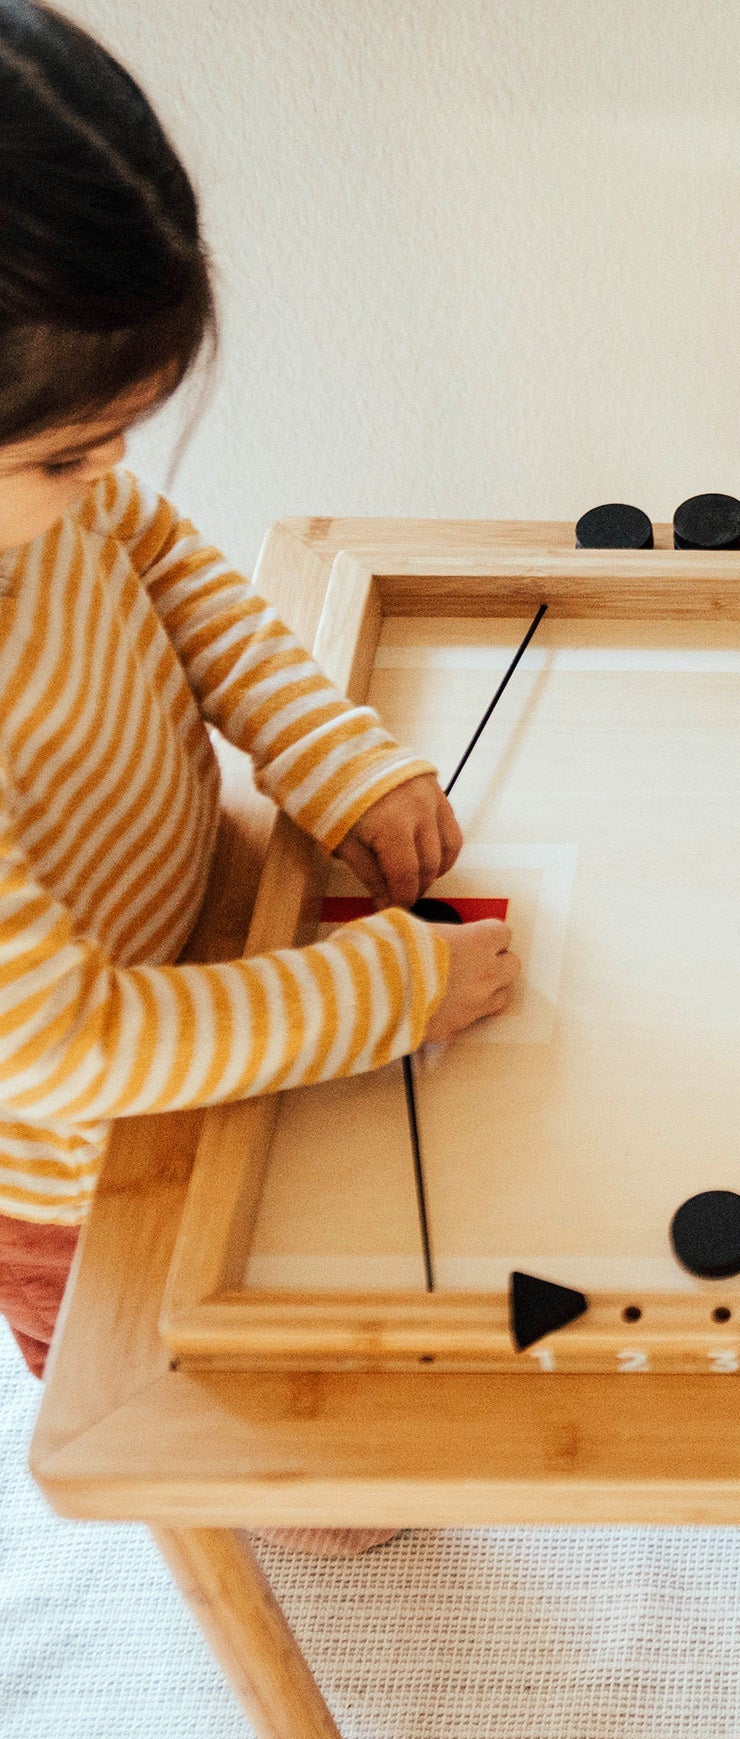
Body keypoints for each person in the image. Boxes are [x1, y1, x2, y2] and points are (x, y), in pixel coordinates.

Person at [0, 2, 520, 1550]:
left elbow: (168, 565)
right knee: (311, 1500)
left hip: (207, 922)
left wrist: (328, 753)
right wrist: (389, 993)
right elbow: (74, 1048)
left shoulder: (71, 502)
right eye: (73, 458)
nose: (113, 481)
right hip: (74, 1171)